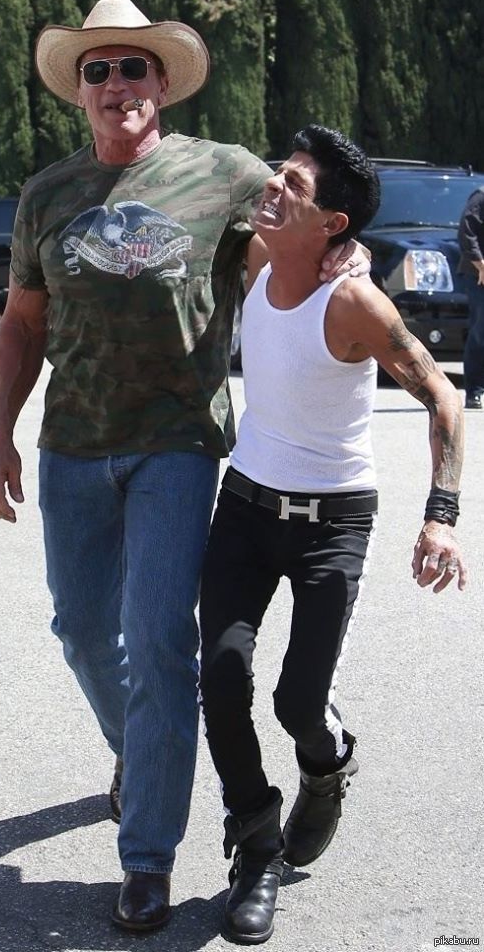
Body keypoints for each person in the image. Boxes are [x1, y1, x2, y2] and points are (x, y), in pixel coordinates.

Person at [0, 0, 367, 932]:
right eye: (98, 70)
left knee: (158, 643)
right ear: (80, 90)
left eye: (133, 68)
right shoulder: (48, 193)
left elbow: (301, 219)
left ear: (161, 83)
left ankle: (145, 856)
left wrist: (345, 251)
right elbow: (23, 322)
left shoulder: (223, 172)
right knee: (81, 631)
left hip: (179, 444)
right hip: (73, 444)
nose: (116, 84)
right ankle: (143, 750)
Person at [198, 125, 468, 945]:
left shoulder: (351, 301)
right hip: (245, 507)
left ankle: (327, 762)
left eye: (295, 186)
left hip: (331, 523)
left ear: (333, 225)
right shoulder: (253, 256)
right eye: (277, 173)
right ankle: (255, 846)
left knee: (296, 704)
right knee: (221, 678)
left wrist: (441, 516)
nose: (273, 188)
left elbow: (442, 395)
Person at [458, 185, 484, 409]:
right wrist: (480, 263)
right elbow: (467, 231)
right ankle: (474, 391)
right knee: (481, 331)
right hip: (478, 275)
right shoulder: (481, 196)